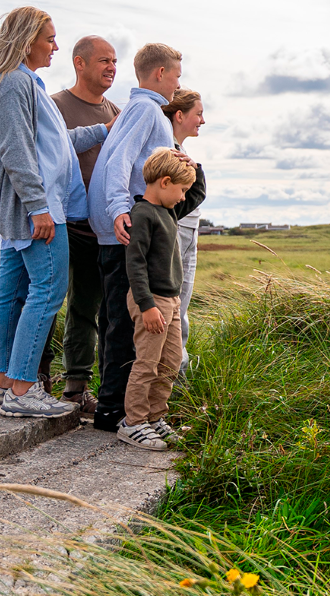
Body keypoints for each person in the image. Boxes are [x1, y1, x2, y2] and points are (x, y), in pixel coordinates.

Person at [0, 6, 107, 419]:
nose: (55, 45)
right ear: (27, 39)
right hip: (36, 211)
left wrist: (104, 129)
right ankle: (23, 390)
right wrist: (39, 208)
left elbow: (57, 141)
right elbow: (17, 152)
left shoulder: (21, 83)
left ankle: (0, 388)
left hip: (24, 211)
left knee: (10, 294)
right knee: (47, 292)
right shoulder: (16, 83)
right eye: (49, 38)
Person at [88, 43, 193, 432]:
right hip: (125, 230)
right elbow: (119, 160)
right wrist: (119, 209)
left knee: (116, 318)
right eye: (177, 75)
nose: (178, 83)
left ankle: (120, 406)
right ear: (160, 74)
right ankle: (116, 410)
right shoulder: (148, 109)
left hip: (123, 227)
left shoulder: (141, 109)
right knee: (122, 324)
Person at [36, 35, 120, 420]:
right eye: (104, 60)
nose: (111, 68)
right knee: (46, 304)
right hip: (60, 224)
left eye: (115, 61)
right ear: (79, 63)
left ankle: (76, 389)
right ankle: (34, 382)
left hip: (98, 228)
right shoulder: (55, 106)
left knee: (87, 308)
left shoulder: (117, 111)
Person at [119, 149, 204, 450]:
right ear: (165, 182)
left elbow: (198, 195)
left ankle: (155, 417)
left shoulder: (169, 211)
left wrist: (196, 168)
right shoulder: (142, 215)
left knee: (169, 362)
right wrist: (147, 306)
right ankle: (134, 422)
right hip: (151, 302)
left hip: (171, 301)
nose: (184, 198)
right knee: (148, 363)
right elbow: (135, 263)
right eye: (181, 190)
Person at [161, 89, 208, 366]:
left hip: (186, 230)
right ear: (179, 115)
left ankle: (177, 371)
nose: (202, 120)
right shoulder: (170, 151)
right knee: (176, 305)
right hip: (178, 231)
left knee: (181, 306)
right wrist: (197, 172)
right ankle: (175, 375)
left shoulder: (179, 149)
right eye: (198, 114)